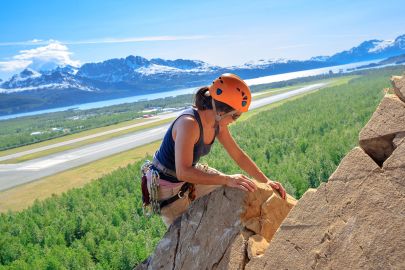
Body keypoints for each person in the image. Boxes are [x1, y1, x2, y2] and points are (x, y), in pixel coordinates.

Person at [143, 73, 286, 227]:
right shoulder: (189, 124)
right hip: (168, 187)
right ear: (220, 112)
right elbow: (183, 172)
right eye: (235, 117)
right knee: (186, 233)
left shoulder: (218, 124)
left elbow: (238, 155)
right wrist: (227, 179)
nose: (234, 121)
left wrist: (266, 181)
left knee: (238, 187)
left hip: (187, 174)